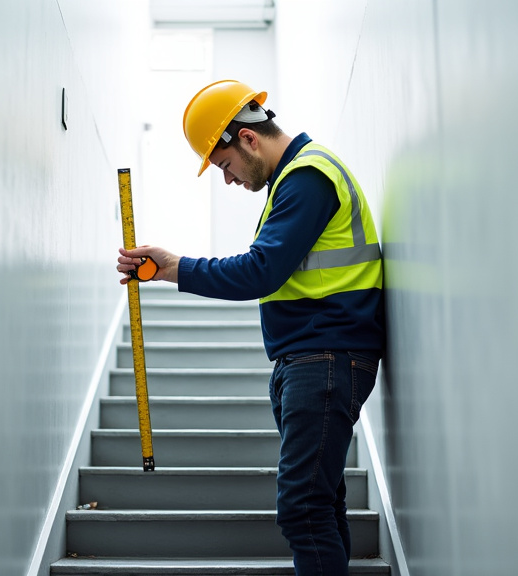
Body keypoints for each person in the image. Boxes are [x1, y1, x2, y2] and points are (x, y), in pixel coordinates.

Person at [116, 79, 385, 576]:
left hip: (324, 356)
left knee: (303, 509)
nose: (228, 179)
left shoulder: (308, 177)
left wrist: (175, 266)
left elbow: (258, 271)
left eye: (224, 166)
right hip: (308, 358)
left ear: (247, 138)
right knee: (320, 506)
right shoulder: (294, 181)